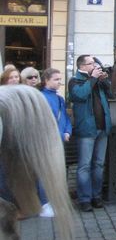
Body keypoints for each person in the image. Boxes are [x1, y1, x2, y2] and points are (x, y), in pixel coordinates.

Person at [69, 55, 111, 212]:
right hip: (86, 130)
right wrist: (92, 79)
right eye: (91, 63)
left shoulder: (97, 80)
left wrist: (104, 81)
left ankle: (96, 196)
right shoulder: (75, 81)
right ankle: (84, 199)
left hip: (102, 128)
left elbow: (113, 94)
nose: (94, 65)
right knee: (85, 165)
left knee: (99, 164)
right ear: (83, 66)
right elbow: (79, 95)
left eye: (94, 63)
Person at [38, 68, 72, 217]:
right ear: (46, 80)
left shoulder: (59, 99)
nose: (59, 82)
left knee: (56, 172)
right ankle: (44, 203)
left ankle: (53, 201)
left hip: (58, 140)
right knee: (45, 173)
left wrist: (67, 131)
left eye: (60, 79)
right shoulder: (40, 97)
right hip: (46, 141)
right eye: (56, 79)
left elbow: (64, 117)